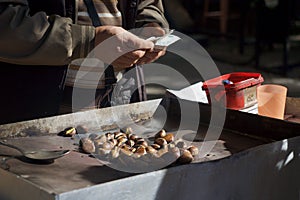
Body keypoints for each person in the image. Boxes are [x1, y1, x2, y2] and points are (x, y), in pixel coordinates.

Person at [0, 0, 169, 125]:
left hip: (118, 105)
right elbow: (5, 24)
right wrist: (88, 40)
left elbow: (147, 4)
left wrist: (150, 23)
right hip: (36, 113)